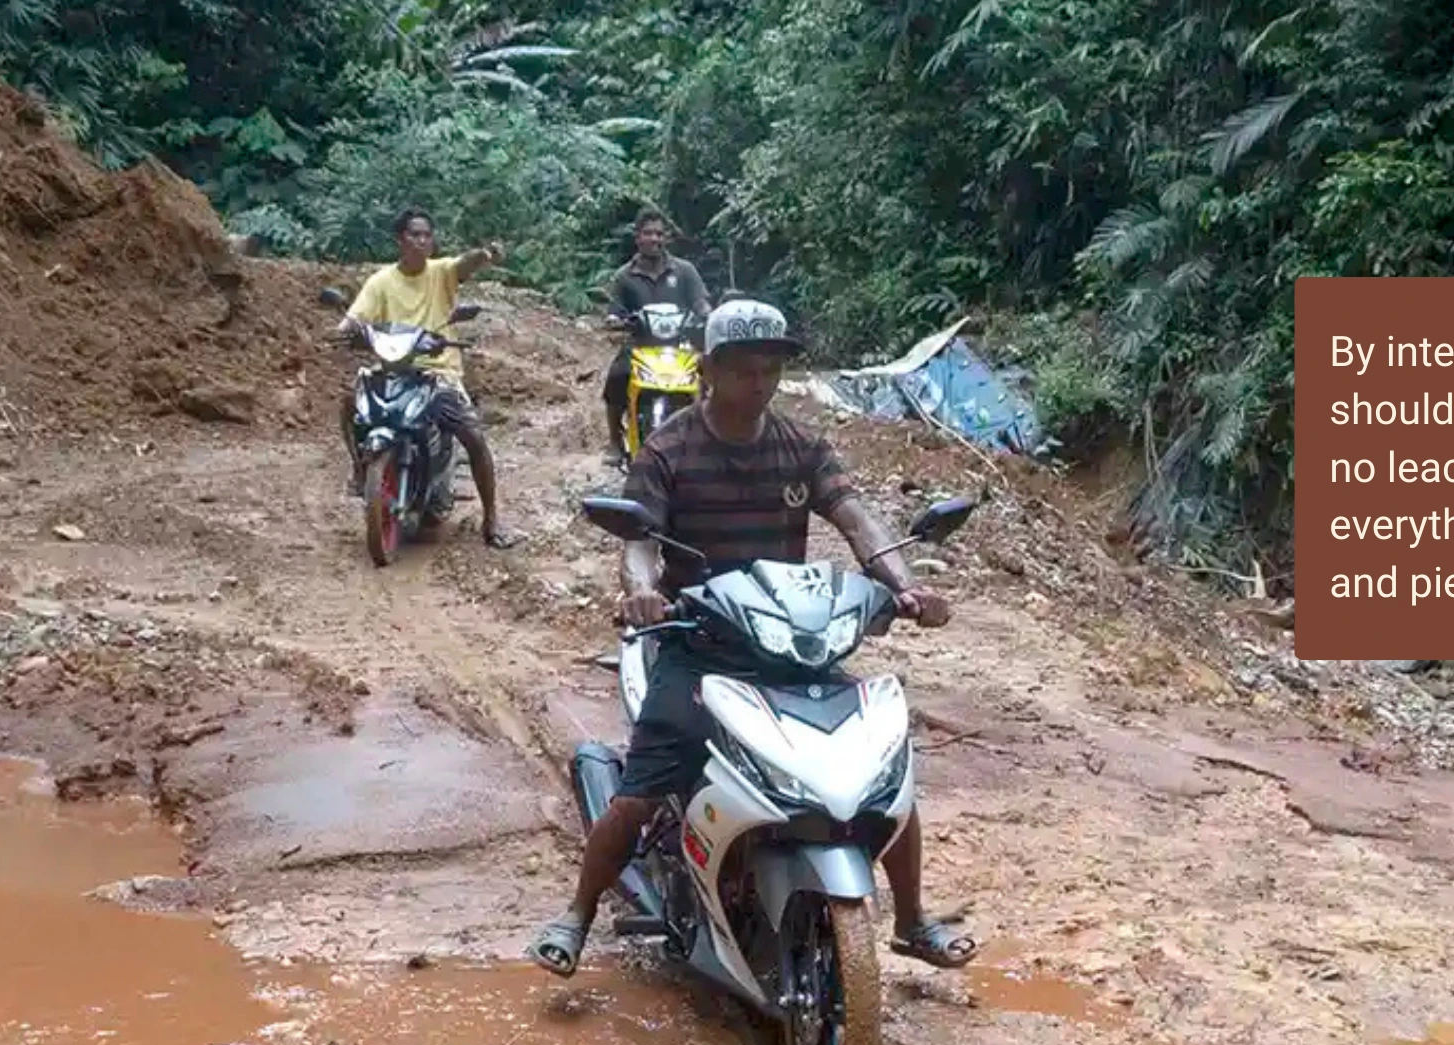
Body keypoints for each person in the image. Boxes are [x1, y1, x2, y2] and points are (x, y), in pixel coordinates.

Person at [530, 298, 975, 978]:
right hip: (699, 646)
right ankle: (578, 914)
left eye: (770, 370)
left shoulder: (801, 445)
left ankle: (912, 920)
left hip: (792, 645)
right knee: (643, 790)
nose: (759, 382)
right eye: (743, 370)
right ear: (708, 370)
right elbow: (641, 540)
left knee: (882, 773)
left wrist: (905, 585)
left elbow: (856, 518)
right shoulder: (668, 450)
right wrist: (642, 591)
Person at [335, 207, 522, 549]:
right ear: (399, 240)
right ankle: (360, 468)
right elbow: (355, 317)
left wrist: (484, 255)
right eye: (414, 235)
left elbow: (464, 265)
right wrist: (345, 330)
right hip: (392, 368)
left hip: (438, 373)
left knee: (474, 436)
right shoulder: (381, 282)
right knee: (350, 401)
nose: (421, 241)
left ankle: (492, 518)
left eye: (427, 235)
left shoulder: (442, 273)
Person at [598, 209, 714, 470]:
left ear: (666, 238)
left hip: (680, 346)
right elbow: (613, 312)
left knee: (708, 376)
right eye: (649, 233)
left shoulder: (684, 271)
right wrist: (615, 322)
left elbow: (700, 302)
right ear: (637, 237)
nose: (655, 239)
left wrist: (706, 315)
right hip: (639, 347)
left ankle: (709, 437)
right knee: (617, 377)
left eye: (660, 234)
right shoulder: (625, 276)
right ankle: (615, 442)